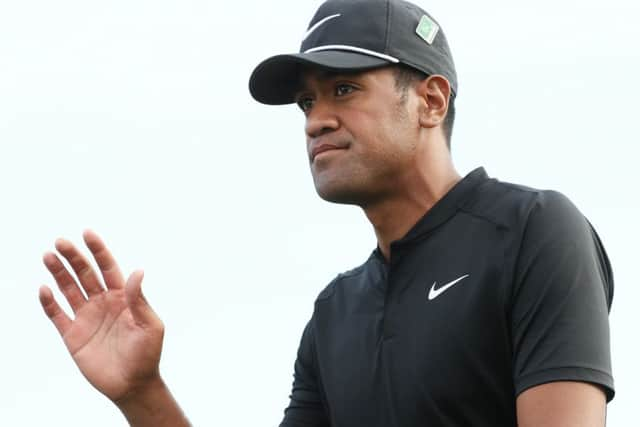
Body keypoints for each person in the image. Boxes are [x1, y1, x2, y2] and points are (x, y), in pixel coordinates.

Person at [39, 0, 615, 426]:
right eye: (308, 102)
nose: (315, 120)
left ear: (431, 101)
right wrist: (142, 393)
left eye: (344, 90)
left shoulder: (534, 231)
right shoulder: (337, 312)